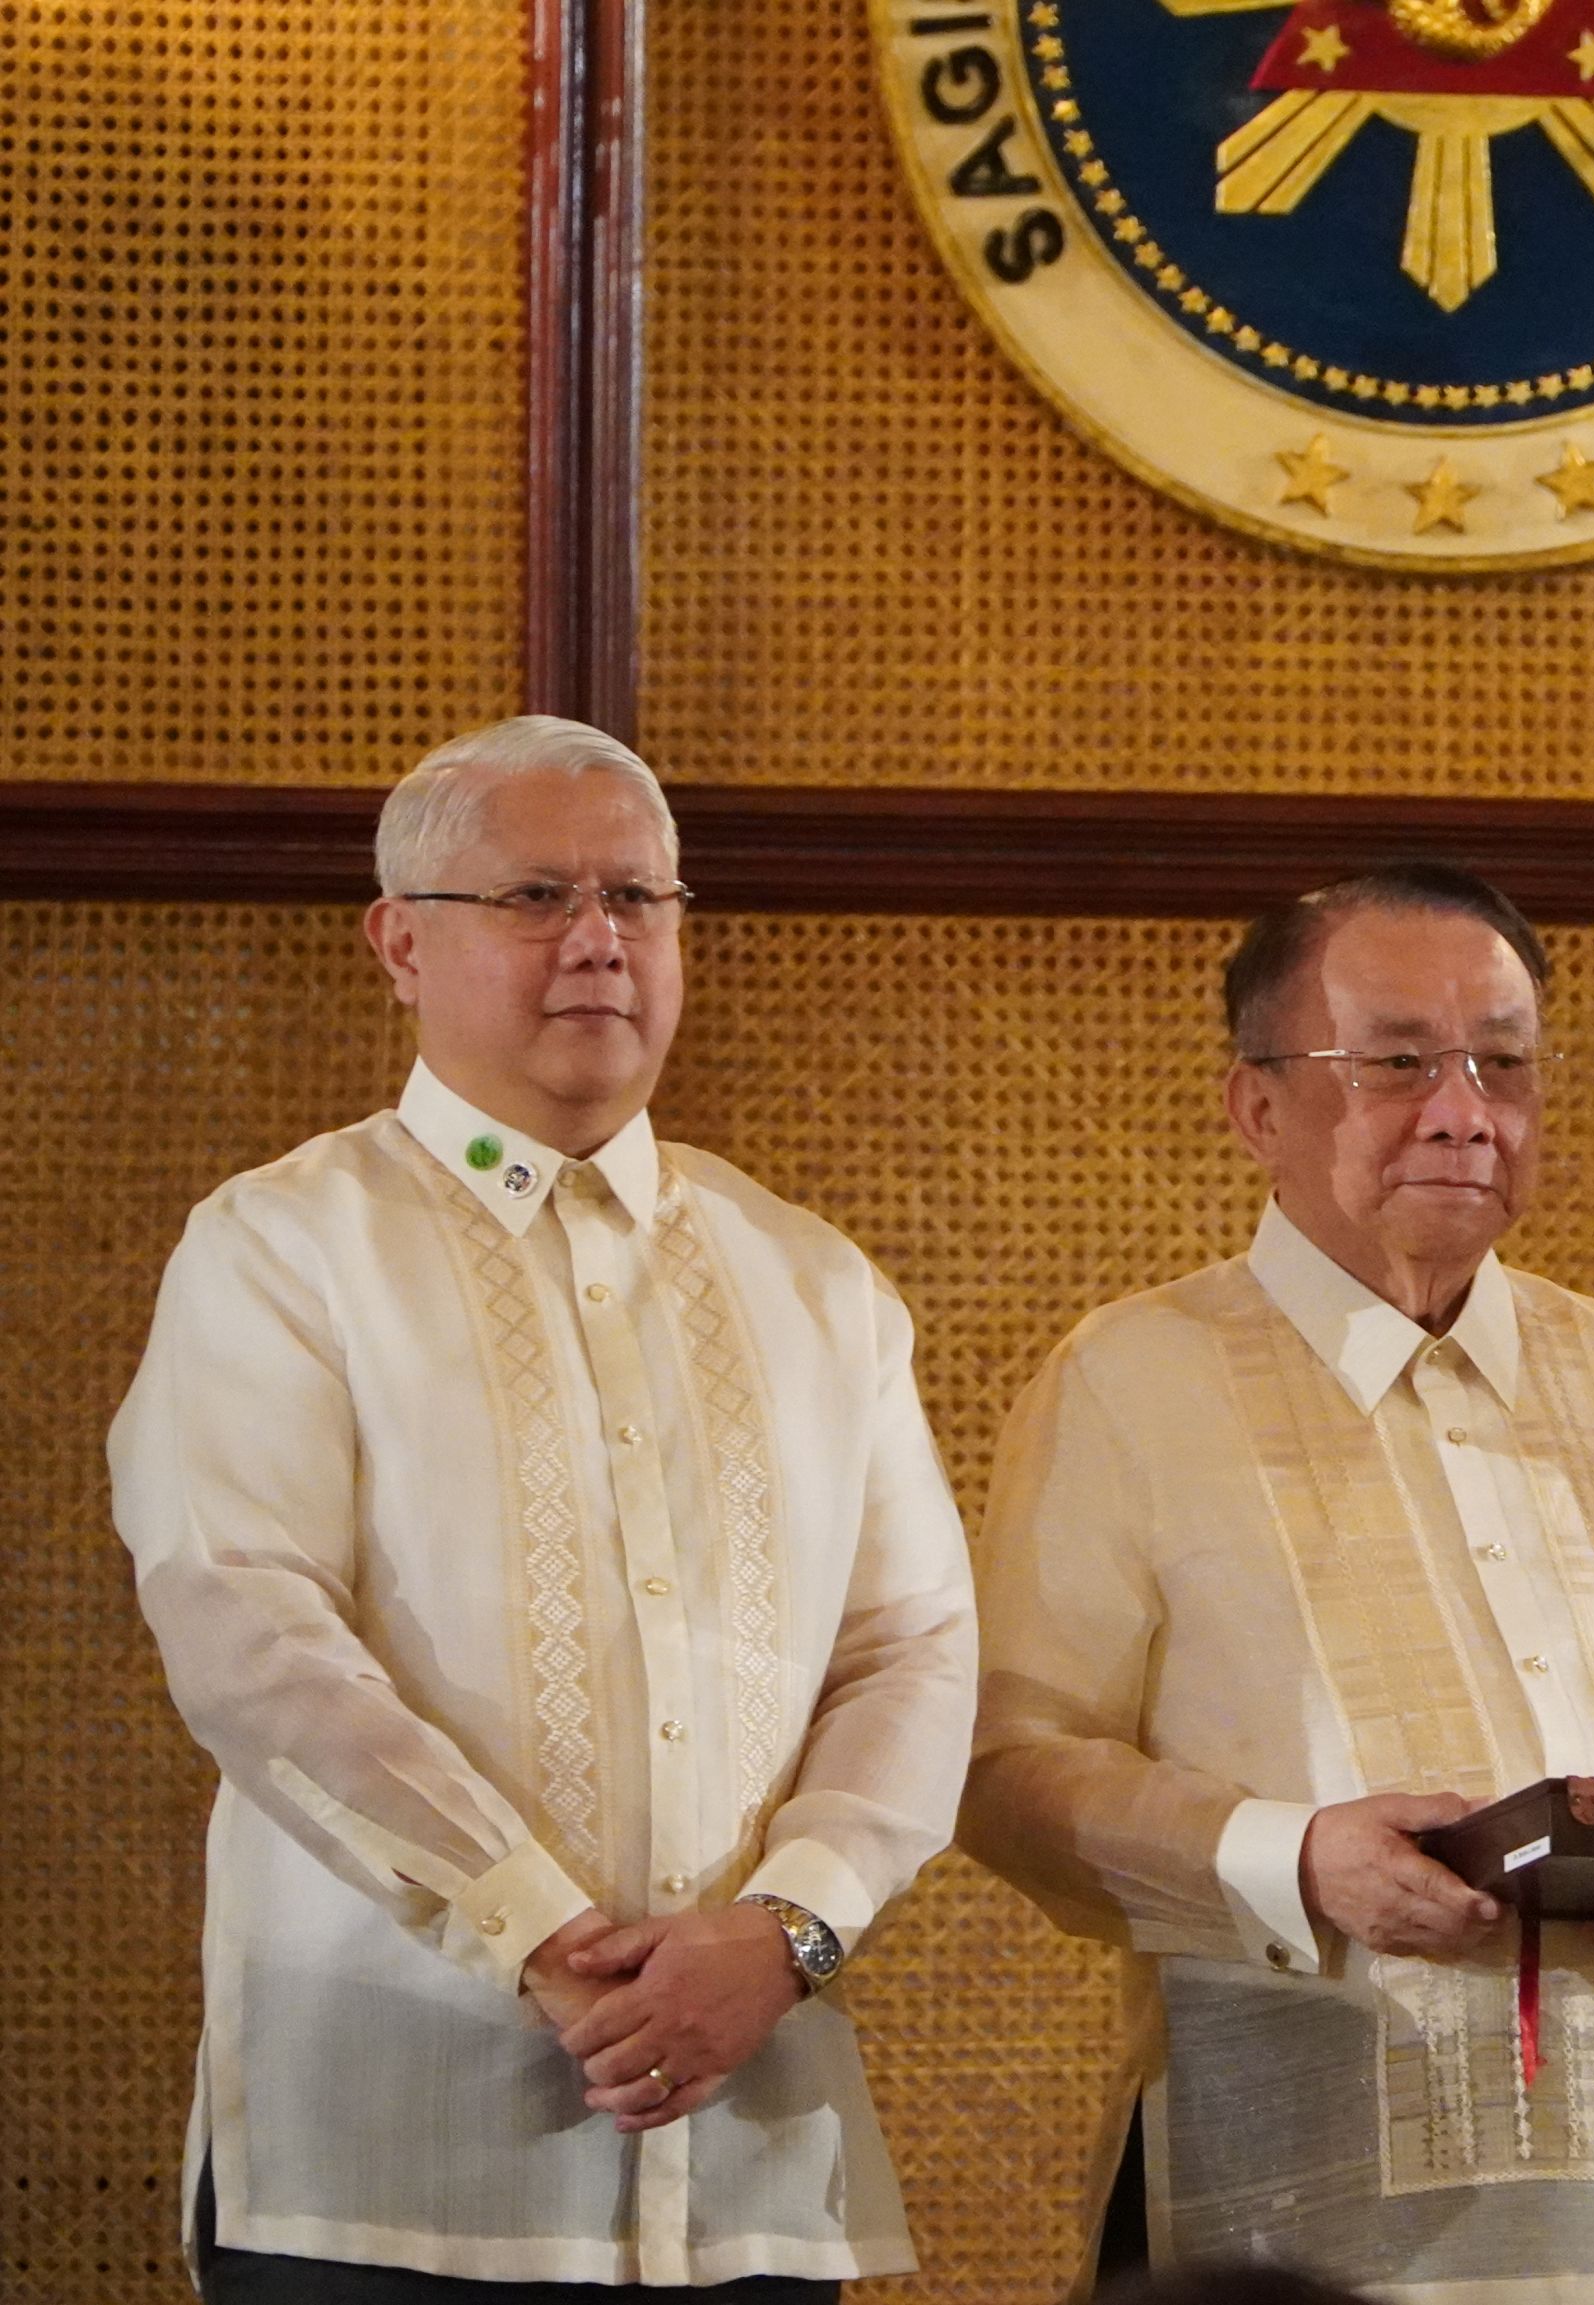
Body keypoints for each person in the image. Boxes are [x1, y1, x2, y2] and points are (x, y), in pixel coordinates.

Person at [110, 715, 980, 2298]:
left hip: (748, 2149)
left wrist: (791, 1928)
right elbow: (247, 1624)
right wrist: (535, 1935)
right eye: (535, 898)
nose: (599, 942)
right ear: (400, 943)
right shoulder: (284, 1246)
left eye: (639, 900)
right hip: (388, 2152)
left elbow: (915, 1647)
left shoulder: (813, 1278)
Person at [959, 865, 1594, 2305]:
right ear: (1257, 1106)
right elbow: (1005, 1767)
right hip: (1283, 2193)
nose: (1463, 1109)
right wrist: (1297, 1859)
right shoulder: (1129, 1380)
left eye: (1503, 1063)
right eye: (1397, 1063)